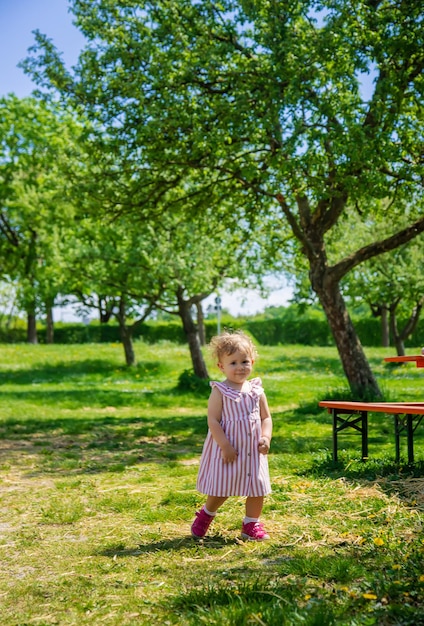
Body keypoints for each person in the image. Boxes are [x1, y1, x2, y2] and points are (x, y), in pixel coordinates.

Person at [191, 330, 273, 541]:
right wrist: (225, 445)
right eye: (233, 363)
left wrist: (266, 437)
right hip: (228, 449)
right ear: (221, 366)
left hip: (253, 451)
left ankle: (251, 525)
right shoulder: (220, 391)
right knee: (222, 487)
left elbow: (266, 417)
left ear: (252, 361)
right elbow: (213, 421)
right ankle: (206, 514)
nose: (240, 367)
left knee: (257, 487)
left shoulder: (256, 390)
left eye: (244, 361)